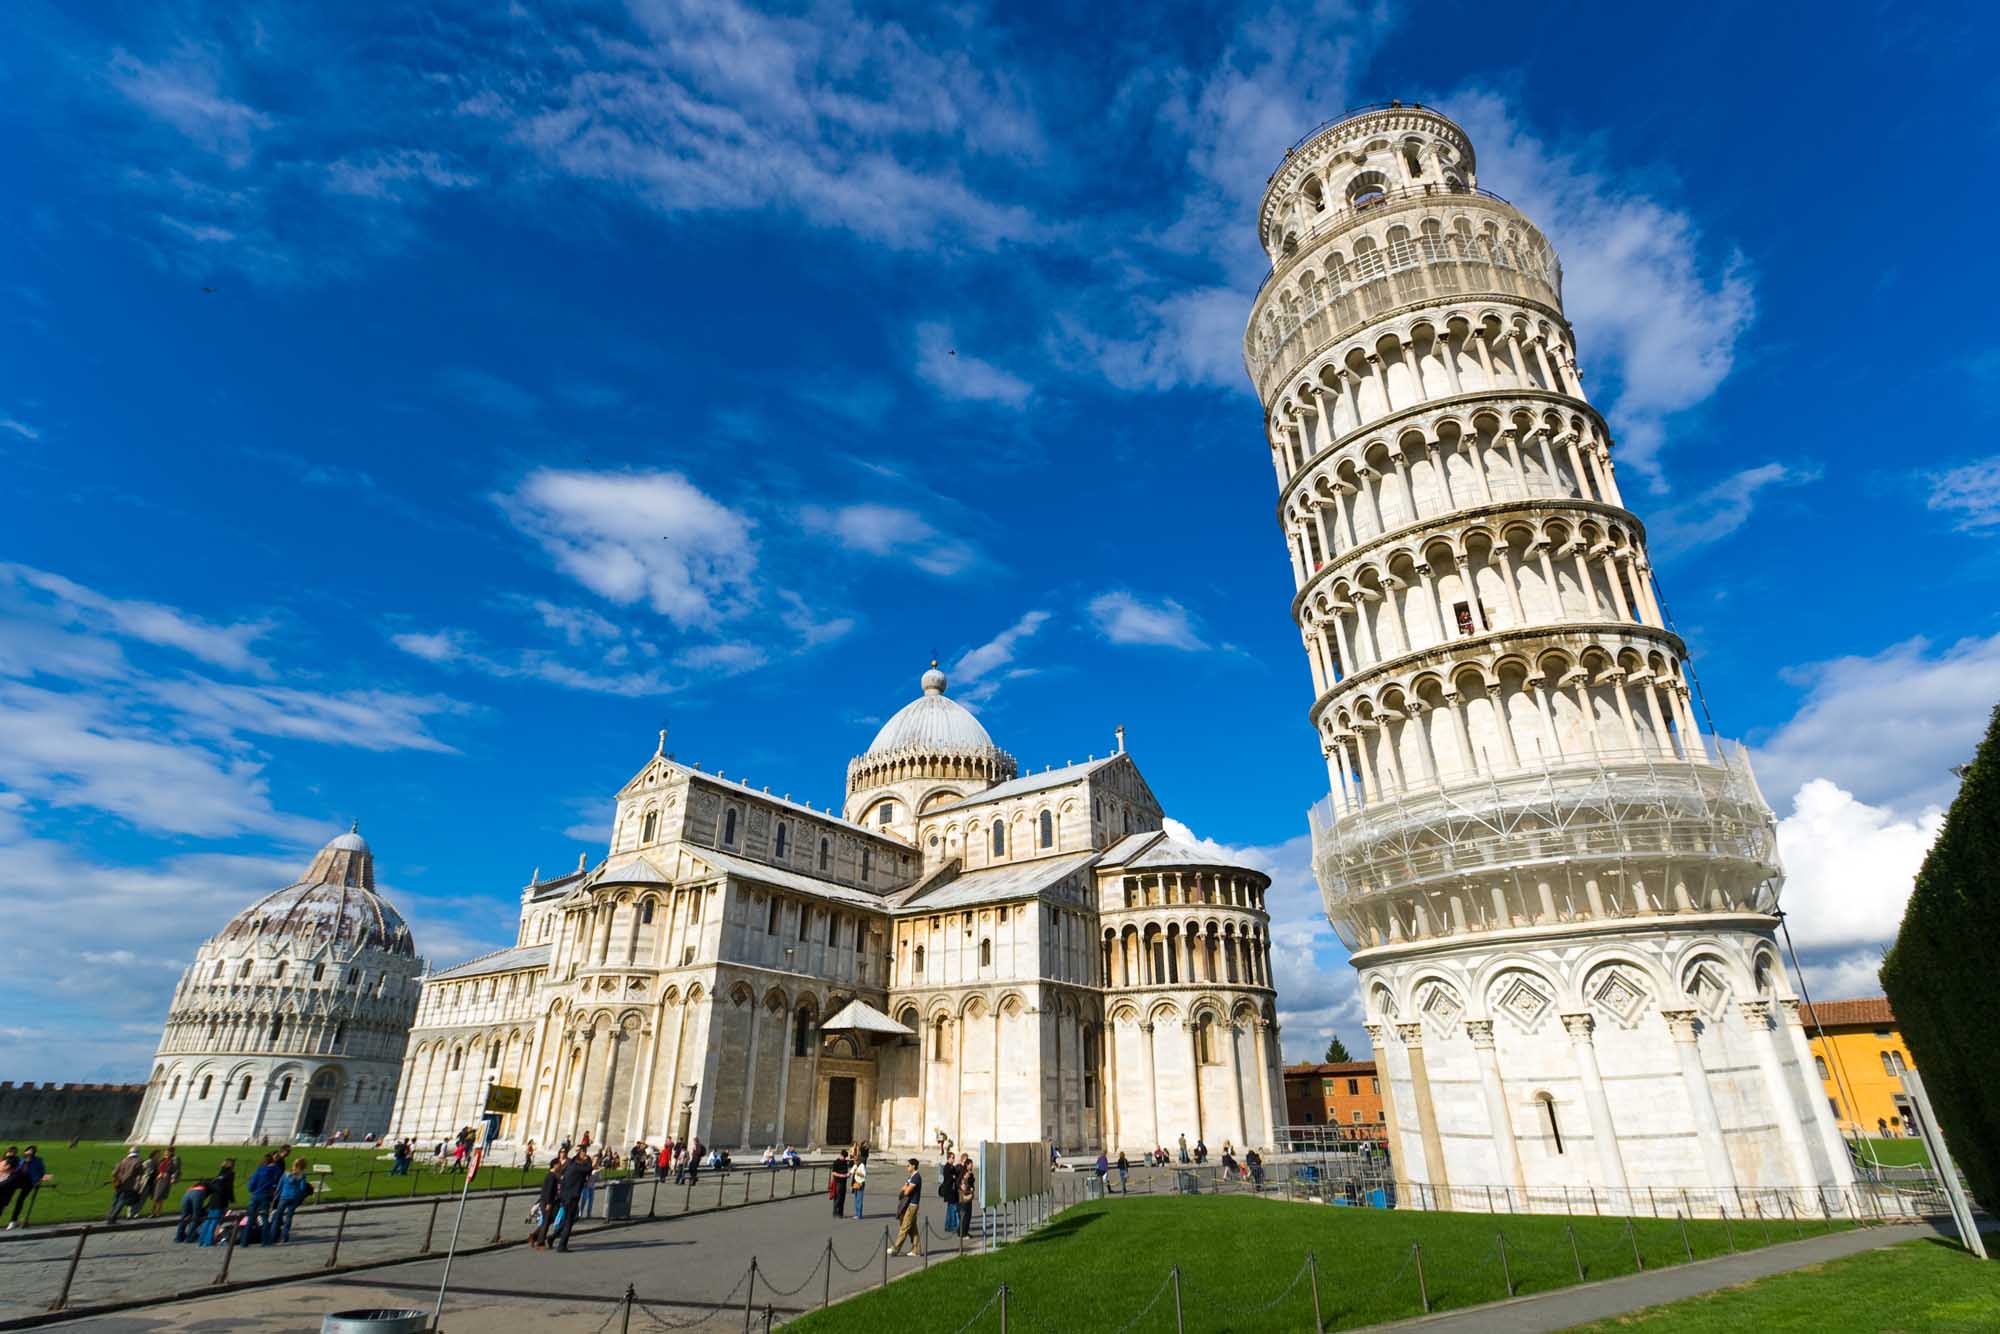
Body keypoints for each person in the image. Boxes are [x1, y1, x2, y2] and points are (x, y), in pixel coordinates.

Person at [887, 1159, 923, 1257]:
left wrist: (906, 1188)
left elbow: (906, 1192)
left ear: (914, 1166)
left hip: (912, 1205)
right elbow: (903, 1188)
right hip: (909, 1204)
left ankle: (895, 1248)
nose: (907, 1167)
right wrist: (906, 1187)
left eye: (908, 1166)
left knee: (904, 1227)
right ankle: (916, 1250)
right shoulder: (911, 1177)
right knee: (913, 1229)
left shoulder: (916, 1177)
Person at [554, 1152, 590, 1251]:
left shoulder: (570, 1167)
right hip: (572, 1198)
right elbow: (588, 1168)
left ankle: (553, 1237)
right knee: (569, 1221)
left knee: (567, 1219)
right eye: (583, 1157)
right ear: (579, 1160)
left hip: (565, 1197)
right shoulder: (578, 1167)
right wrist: (587, 1159)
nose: (585, 1157)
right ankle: (561, 1245)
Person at [3, 1146, 45, 1229]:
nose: (29, 1153)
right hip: (19, 1178)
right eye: (28, 1151)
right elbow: (17, 1169)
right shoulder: (22, 1160)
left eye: (31, 1152)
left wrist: (38, 1180)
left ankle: (13, 1220)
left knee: (20, 1200)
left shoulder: (38, 1161)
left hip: (29, 1181)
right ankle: (4, 1205)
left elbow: (42, 1172)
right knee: (8, 1192)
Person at [246, 1153, 282, 1241]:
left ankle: (244, 1241)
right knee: (264, 1218)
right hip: (266, 1195)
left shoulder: (259, 1170)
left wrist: (252, 1189)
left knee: (251, 1218)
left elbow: (251, 1185)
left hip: (255, 1195)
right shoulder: (275, 1170)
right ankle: (265, 1240)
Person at [529, 1158, 564, 1249]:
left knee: (548, 1221)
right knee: (546, 1222)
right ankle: (540, 1242)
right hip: (547, 1201)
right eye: (559, 1164)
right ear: (555, 1165)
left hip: (547, 1201)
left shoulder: (552, 1175)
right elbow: (549, 1191)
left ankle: (534, 1236)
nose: (560, 1166)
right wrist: (548, 1203)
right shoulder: (552, 1176)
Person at [108, 1148, 148, 1224]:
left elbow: (114, 1173)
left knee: (115, 1200)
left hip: (118, 1184)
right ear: (138, 1153)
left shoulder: (123, 1160)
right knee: (121, 1201)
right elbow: (141, 1173)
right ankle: (112, 1218)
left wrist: (117, 1178)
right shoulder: (139, 1161)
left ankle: (110, 1216)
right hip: (129, 1185)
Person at [275, 1160, 312, 1241]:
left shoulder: (286, 1174)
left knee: (278, 1216)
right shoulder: (302, 1175)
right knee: (289, 1217)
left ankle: (273, 1235)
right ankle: (285, 1236)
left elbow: (279, 1186)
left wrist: (277, 1194)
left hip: (284, 1196)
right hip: (295, 1197)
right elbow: (302, 1188)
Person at [149, 1146, 180, 1218]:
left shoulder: (174, 1159)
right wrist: (158, 1174)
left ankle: (156, 1212)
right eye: (165, 1152)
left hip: (166, 1179)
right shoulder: (162, 1159)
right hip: (159, 1179)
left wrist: (173, 1178)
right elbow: (158, 1168)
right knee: (156, 1196)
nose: (166, 1153)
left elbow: (176, 1170)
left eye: (167, 1152)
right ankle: (154, 1212)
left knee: (159, 1196)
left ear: (172, 1152)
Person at [939, 1154, 962, 1234]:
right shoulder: (947, 1167)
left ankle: (950, 1225)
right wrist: (954, 1177)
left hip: (952, 1192)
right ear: (948, 1158)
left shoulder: (951, 1167)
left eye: (954, 1158)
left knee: (951, 1209)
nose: (953, 1159)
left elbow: (955, 1174)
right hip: (950, 1192)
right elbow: (950, 1179)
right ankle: (952, 1226)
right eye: (952, 1158)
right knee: (952, 1209)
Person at [956, 1154, 976, 1240]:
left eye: (972, 1164)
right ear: (967, 1165)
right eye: (970, 1164)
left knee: (968, 1215)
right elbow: (958, 1183)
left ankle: (965, 1231)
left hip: (969, 1196)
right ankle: (962, 1233)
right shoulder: (963, 1173)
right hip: (963, 1197)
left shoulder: (970, 1174)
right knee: (964, 1216)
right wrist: (961, 1186)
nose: (971, 1166)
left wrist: (971, 1186)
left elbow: (971, 1183)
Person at [829, 1150, 851, 1217]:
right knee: (838, 1198)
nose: (844, 1158)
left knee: (842, 1198)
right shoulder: (836, 1162)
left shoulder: (845, 1162)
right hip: (838, 1182)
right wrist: (841, 1175)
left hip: (844, 1182)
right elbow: (833, 1172)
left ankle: (840, 1213)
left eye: (845, 1157)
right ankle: (835, 1212)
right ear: (840, 1155)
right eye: (843, 1157)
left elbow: (846, 1171)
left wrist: (848, 1175)